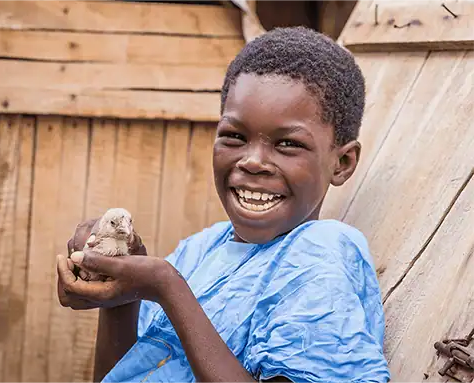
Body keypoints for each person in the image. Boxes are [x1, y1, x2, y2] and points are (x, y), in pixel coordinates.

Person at [56, 26, 391, 383]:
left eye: (288, 144)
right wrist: (120, 290)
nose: (253, 161)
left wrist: (165, 287)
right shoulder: (201, 250)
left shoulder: (320, 253)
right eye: (234, 136)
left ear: (342, 163)